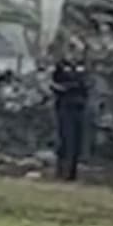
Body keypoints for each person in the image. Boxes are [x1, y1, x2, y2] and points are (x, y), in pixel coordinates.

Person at [50, 41, 89, 181]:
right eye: (74, 51)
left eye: (79, 52)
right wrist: (70, 87)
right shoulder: (61, 66)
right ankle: (62, 171)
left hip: (79, 106)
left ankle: (72, 173)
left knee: (77, 141)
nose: (76, 55)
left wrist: (74, 86)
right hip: (65, 107)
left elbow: (85, 84)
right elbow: (56, 85)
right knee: (66, 139)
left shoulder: (82, 67)